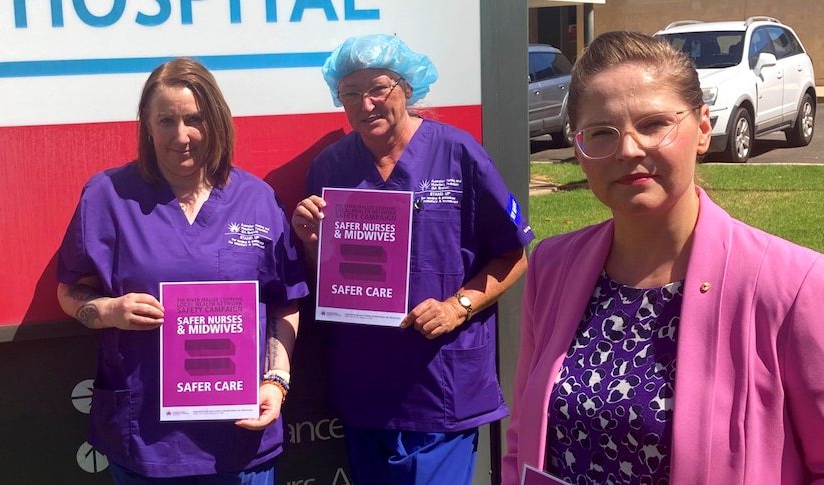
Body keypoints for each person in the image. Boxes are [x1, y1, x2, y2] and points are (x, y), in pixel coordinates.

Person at [502, 31, 824, 485]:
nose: (628, 149)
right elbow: (523, 442)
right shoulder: (553, 266)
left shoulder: (794, 286)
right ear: (579, 148)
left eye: (653, 124)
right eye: (602, 132)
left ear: (703, 128)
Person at [291, 34, 534, 484]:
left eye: (378, 88)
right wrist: (309, 241)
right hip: (364, 382)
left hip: (439, 381)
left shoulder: (457, 153)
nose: (365, 105)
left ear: (406, 86)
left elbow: (514, 254)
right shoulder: (330, 167)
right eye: (349, 93)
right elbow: (326, 274)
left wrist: (456, 307)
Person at [56, 57, 309, 483]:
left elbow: (284, 301)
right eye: (166, 120)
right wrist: (110, 311)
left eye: (195, 120)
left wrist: (276, 381)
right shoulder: (107, 196)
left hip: (239, 436)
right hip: (146, 437)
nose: (182, 136)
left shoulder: (257, 198)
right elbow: (70, 292)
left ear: (217, 121)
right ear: (147, 126)